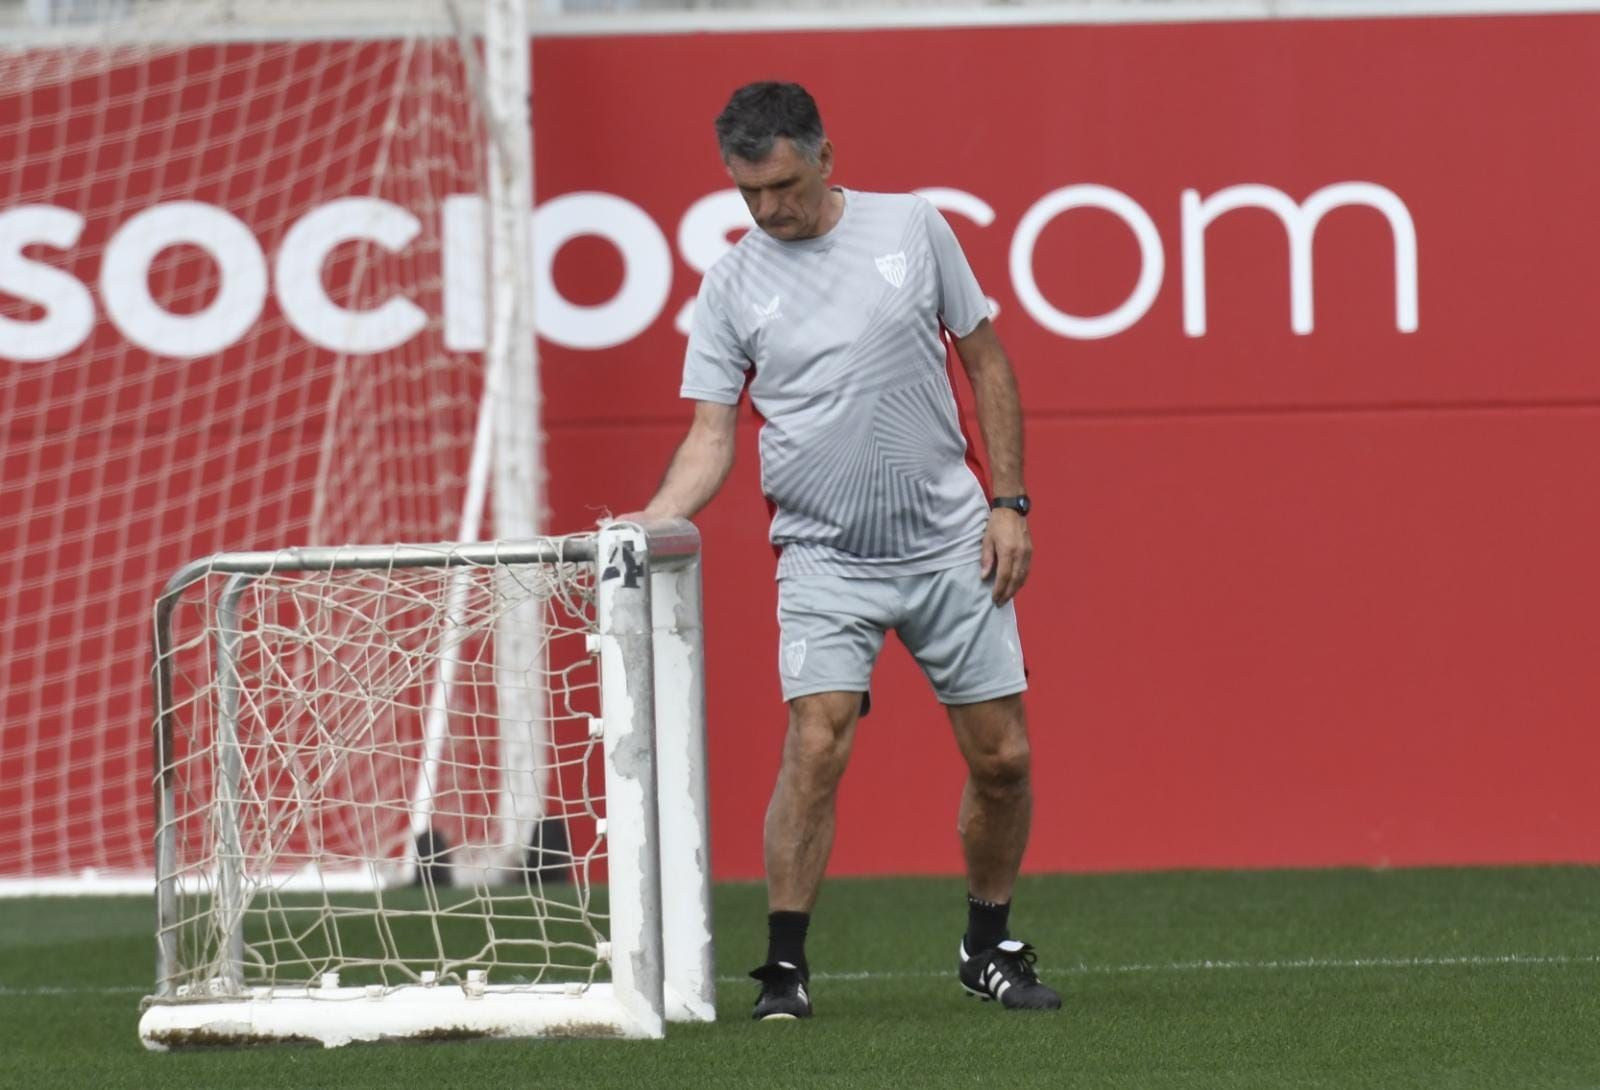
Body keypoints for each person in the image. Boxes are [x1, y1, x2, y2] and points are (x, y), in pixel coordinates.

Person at [633, 81, 1059, 1019]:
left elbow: (986, 359)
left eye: (782, 185)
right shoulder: (732, 284)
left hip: (953, 543)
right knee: (816, 742)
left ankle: (988, 946)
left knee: (1005, 761)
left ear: (825, 156)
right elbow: (712, 437)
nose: (769, 209)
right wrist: (648, 521)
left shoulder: (913, 228)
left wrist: (1009, 502)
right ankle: (784, 969)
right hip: (825, 559)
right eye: (749, 194)